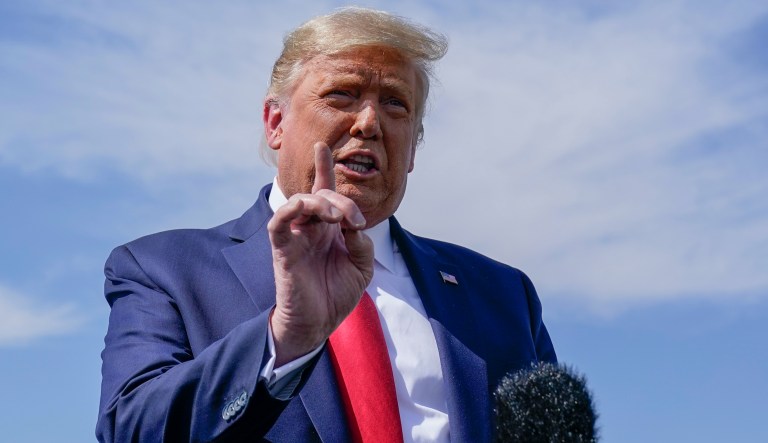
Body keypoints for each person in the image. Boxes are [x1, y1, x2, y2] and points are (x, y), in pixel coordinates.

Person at [97, 7, 556, 443]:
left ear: (413, 149)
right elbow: (133, 428)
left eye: (396, 104)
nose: (370, 122)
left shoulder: (503, 296)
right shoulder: (164, 270)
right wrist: (284, 338)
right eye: (343, 95)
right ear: (275, 122)